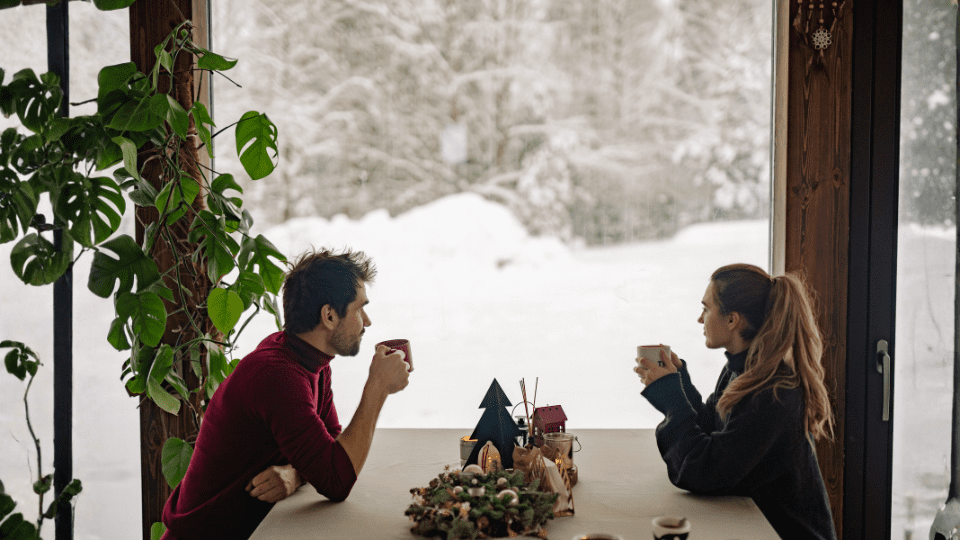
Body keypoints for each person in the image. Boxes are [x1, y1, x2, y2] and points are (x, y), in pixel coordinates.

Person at [161, 248, 412, 539]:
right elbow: (337, 482)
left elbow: (329, 440)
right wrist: (377, 388)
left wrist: (295, 473)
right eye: (359, 309)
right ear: (329, 316)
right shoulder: (277, 375)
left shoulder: (307, 357)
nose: (366, 322)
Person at [634, 263, 837, 540]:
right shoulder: (744, 369)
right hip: (754, 526)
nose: (699, 319)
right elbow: (714, 433)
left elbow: (704, 470)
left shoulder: (772, 391)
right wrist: (680, 386)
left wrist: (673, 401)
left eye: (706, 309)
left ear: (732, 320)